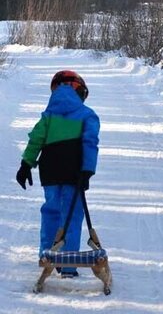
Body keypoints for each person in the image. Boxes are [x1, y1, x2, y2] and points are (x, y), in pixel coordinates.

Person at [16, 70, 100, 278]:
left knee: (51, 211)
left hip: (50, 170)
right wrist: (88, 170)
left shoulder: (48, 116)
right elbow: (90, 143)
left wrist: (26, 164)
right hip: (75, 172)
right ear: (79, 91)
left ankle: (47, 258)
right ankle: (68, 265)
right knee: (71, 215)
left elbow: (36, 139)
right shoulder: (87, 115)